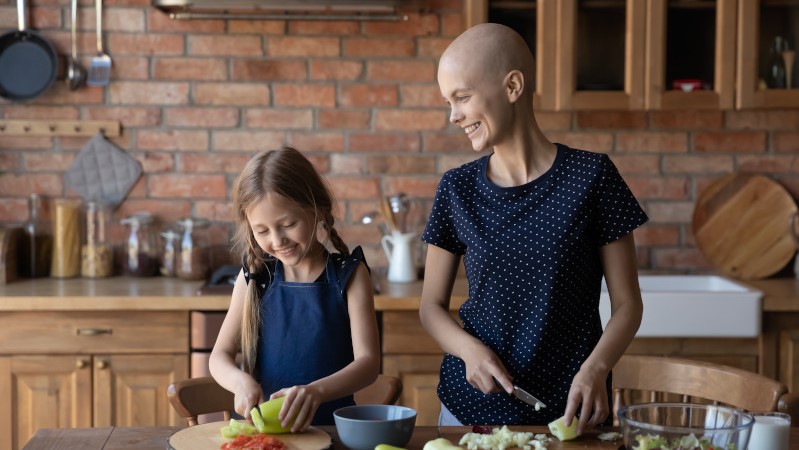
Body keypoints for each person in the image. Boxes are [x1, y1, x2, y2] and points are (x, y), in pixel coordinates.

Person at [419, 23, 648, 433]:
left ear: (512, 87)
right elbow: (430, 307)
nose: (453, 115)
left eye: (462, 97)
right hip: (470, 409)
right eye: (448, 102)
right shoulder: (456, 188)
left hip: (572, 411)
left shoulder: (593, 177)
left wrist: (596, 368)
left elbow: (628, 305)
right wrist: (468, 351)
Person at [209, 146, 380, 432]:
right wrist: (239, 381)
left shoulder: (349, 275)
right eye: (261, 231)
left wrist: (315, 391)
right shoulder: (255, 275)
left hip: (329, 432)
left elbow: (368, 363)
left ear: (317, 210)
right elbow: (219, 356)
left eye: (288, 224)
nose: (277, 240)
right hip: (263, 434)